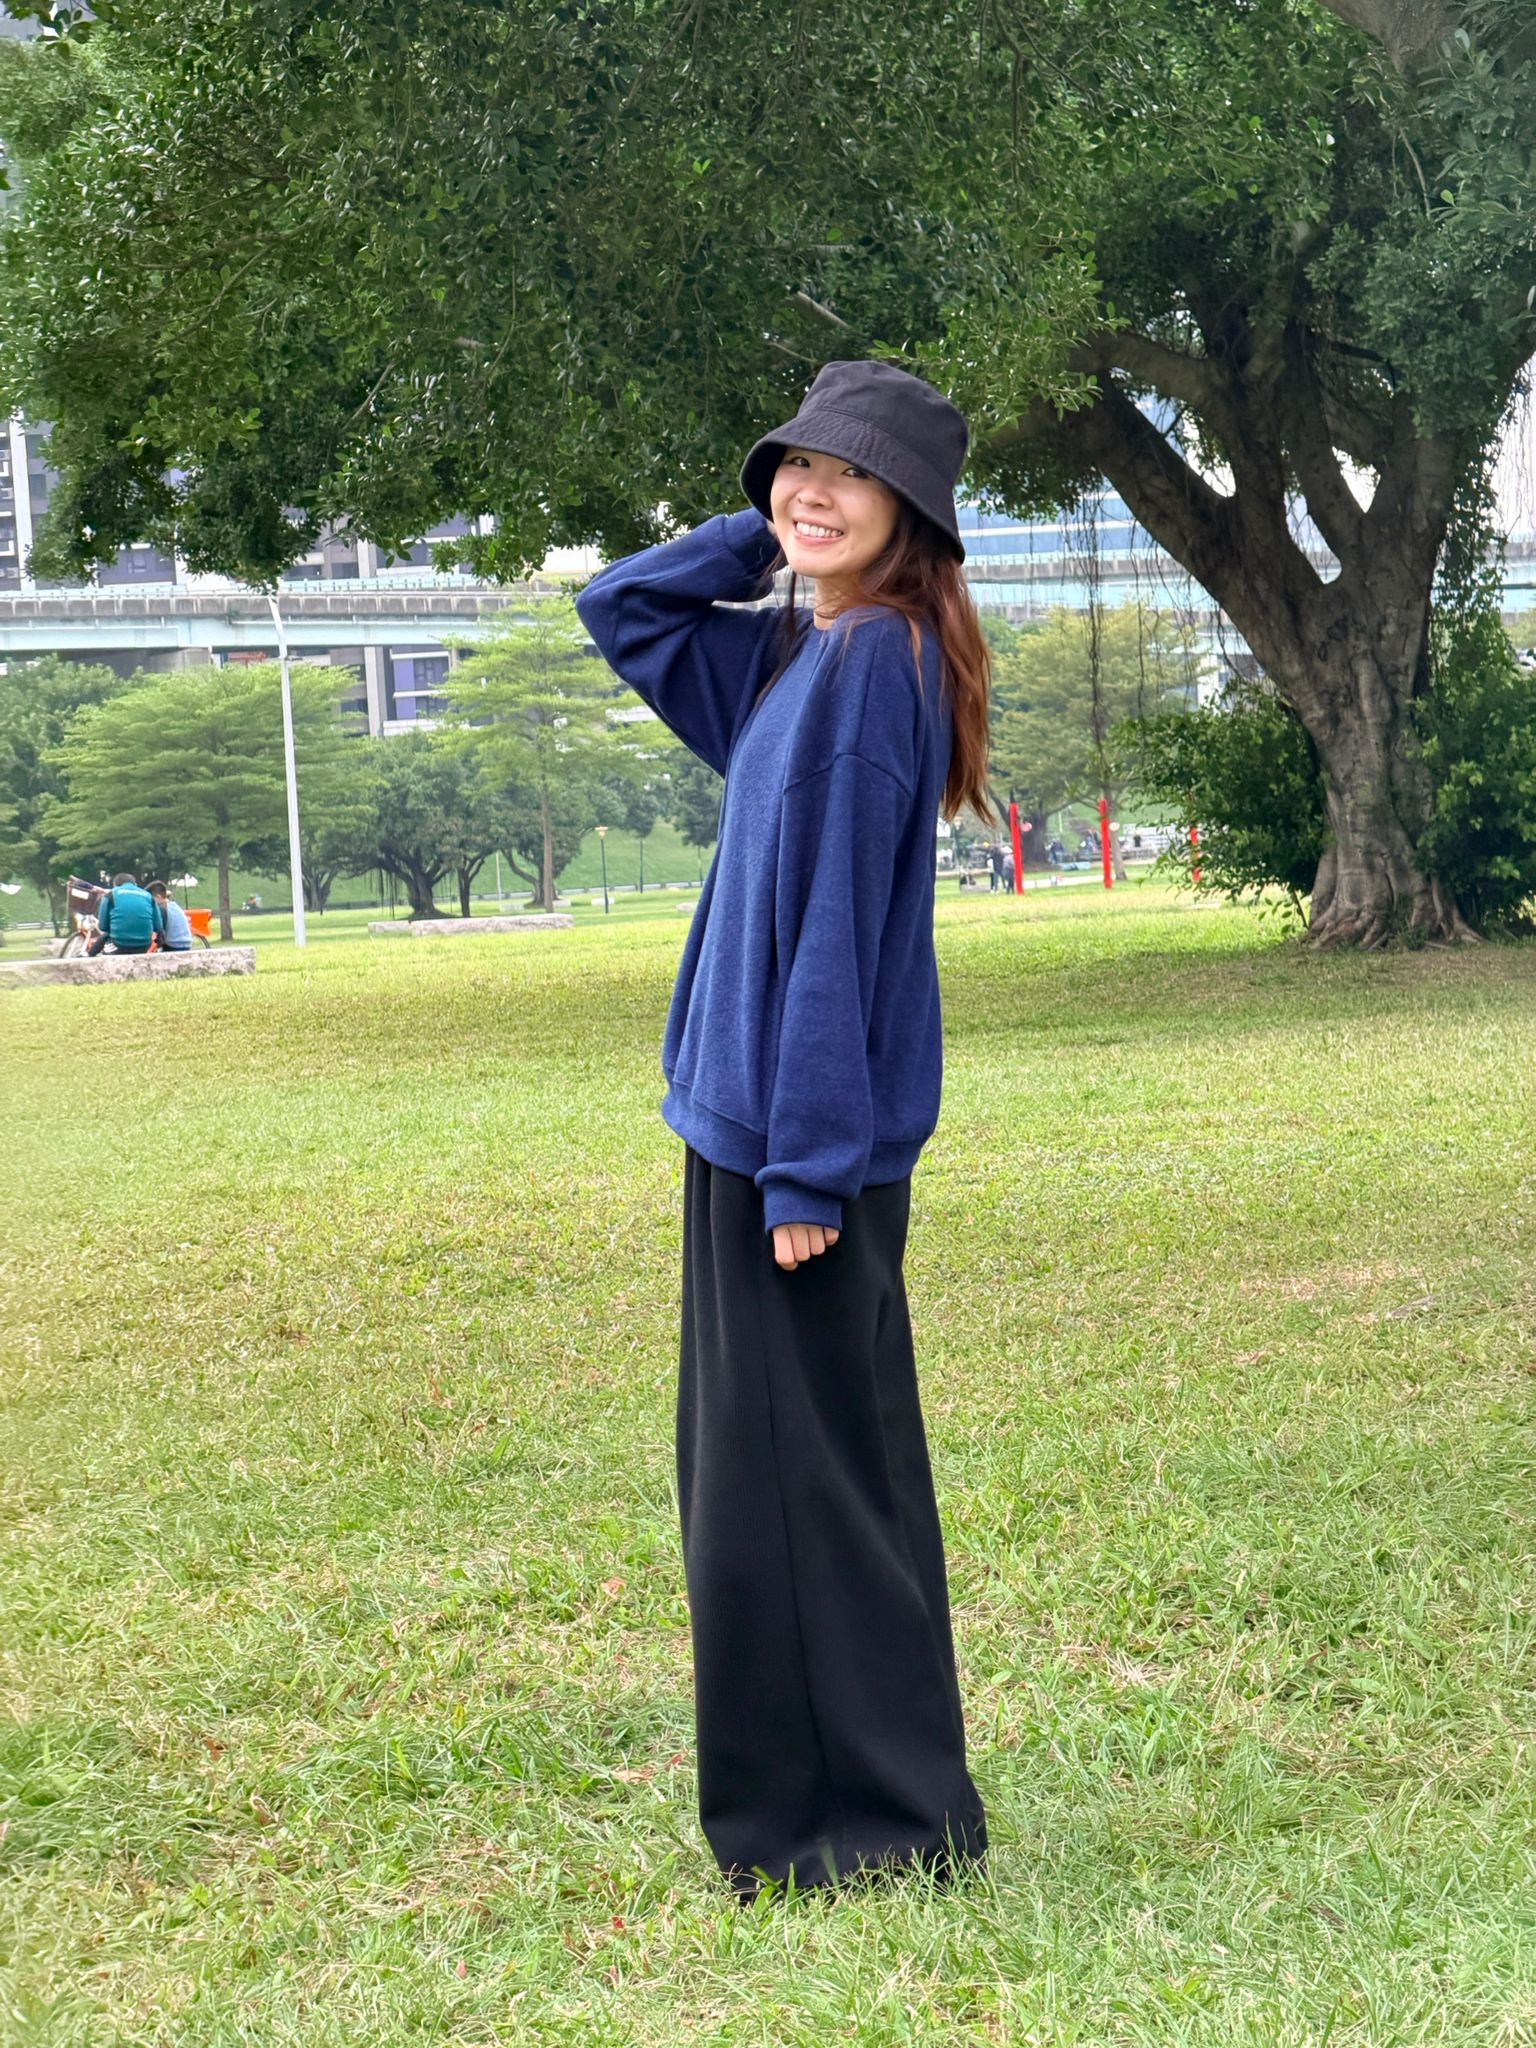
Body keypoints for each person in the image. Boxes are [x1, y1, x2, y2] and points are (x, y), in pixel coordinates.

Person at [577, 358, 990, 1904]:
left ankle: (855, 1832)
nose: (814, 491)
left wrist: (805, 1167)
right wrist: (774, 535)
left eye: (853, 476)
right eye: (796, 465)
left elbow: (835, 932)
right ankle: (893, 1809)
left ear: (912, 514)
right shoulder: (795, 656)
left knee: (783, 1501)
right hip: (748, 1136)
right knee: (810, 1483)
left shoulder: (874, 665)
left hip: (789, 1158)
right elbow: (622, 607)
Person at [87, 872, 166, 956]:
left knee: (102, 948)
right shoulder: (148, 896)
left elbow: (102, 926)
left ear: (115, 885)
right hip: (144, 945)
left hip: (119, 943)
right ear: (135, 884)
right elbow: (158, 927)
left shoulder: (111, 895)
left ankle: (87, 956)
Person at [148, 881, 193, 951]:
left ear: (158, 897)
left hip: (173, 944)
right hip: (187, 942)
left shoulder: (162, 908)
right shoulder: (174, 905)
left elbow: (159, 928)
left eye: (151, 900)